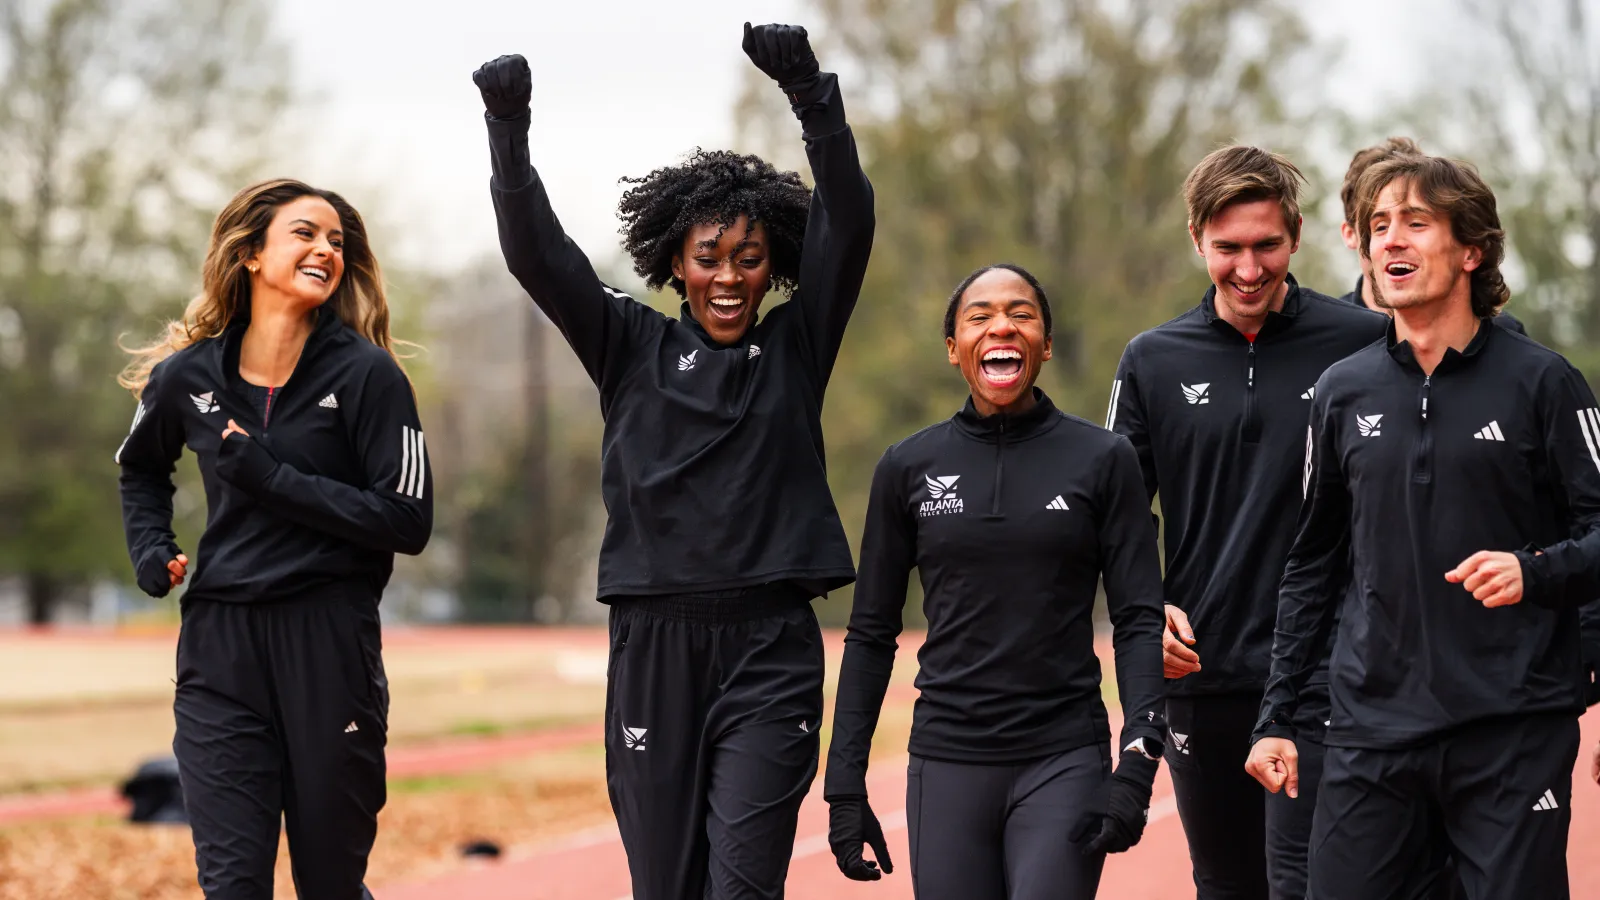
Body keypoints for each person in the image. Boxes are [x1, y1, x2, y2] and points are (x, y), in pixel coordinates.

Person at [472, 22, 874, 900]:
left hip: (770, 649)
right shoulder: (627, 345)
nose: (729, 277)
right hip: (655, 646)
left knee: (742, 887)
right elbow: (537, 254)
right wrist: (509, 127)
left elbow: (852, 218)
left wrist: (812, 97)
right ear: (676, 265)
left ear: (775, 271)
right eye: (709, 258)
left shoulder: (798, 348)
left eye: (750, 259)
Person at [1249, 153, 1600, 899]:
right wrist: (1276, 713)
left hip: (1512, 730)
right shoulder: (1342, 392)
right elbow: (1312, 562)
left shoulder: (1545, 382)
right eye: (1379, 226)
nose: (1391, 242)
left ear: (1470, 249)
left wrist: (1534, 570)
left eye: (1416, 223)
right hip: (1371, 729)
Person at [116, 178, 431, 899]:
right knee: (231, 885)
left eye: (336, 242)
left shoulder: (368, 377)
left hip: (329, 644)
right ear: (252, 254)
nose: (326, 249)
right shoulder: (187, 378)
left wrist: (271, 477)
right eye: (305, 234)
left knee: (329, 884)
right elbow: (139, 468)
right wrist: (148, 547)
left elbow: (408, 519)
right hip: (220, 646)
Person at [825, 264, 1166, 898]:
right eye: (978, 317)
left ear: (1047, 341)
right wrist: (844, 782)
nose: (1001, 325)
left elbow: (1139, 619)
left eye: (1022, 313)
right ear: (954, 349)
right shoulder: (906, 467)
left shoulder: (1104, 460)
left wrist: (1140, 757)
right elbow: (871, 632)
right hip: (946, 761)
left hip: (1064, 756)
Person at [1105, 145, 1387, 900]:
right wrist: (1141, 612)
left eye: (1266, 245)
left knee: (1315, 883)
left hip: (1329, 674)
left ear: (1296, 234)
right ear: (1195, 239)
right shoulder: (1151, 359)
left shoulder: (1362, 344)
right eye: (1228, 249)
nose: (1250, 268)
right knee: (1227, 884)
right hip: (1204, 673)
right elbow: (1116, 518)